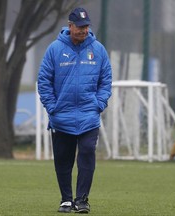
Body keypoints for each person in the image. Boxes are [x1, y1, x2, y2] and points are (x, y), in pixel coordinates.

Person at [37, 7, 112, 214]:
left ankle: (82, 200)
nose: (83, 30)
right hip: (62, 116)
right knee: (63, 159)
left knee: (87, 152)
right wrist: (52, 107)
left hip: (89, 115)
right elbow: (44, 80)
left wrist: (99, 103)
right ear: (70, 26)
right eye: (79, 27)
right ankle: (66, 200)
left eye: (86, 26)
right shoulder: (54, 49)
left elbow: (106, 81)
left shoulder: (98, 50)